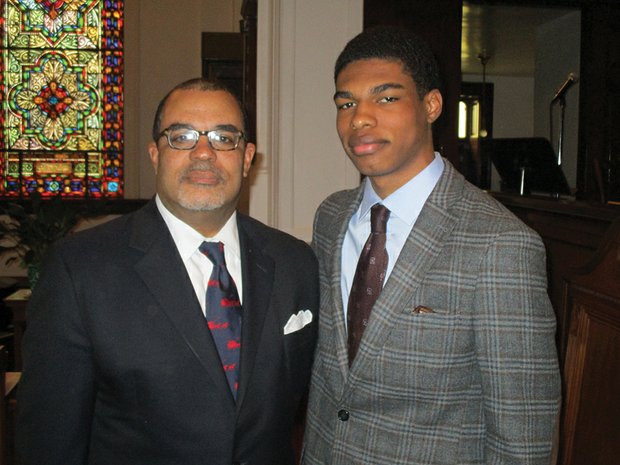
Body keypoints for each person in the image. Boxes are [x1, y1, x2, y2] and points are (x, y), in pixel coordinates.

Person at [17, 78, 319, 465]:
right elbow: (49, 441)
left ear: (247, 158)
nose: (204, 153)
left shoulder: (295, 262)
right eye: (183, 136)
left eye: (224, 138)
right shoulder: (79, 270)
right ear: (155, 154)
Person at [302, 27, 560, 465]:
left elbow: (523, 435)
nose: (359, 118)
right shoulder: (330, 217)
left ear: (431, 105)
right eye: (346, 103)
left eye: (386, 98)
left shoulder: (502, 244)